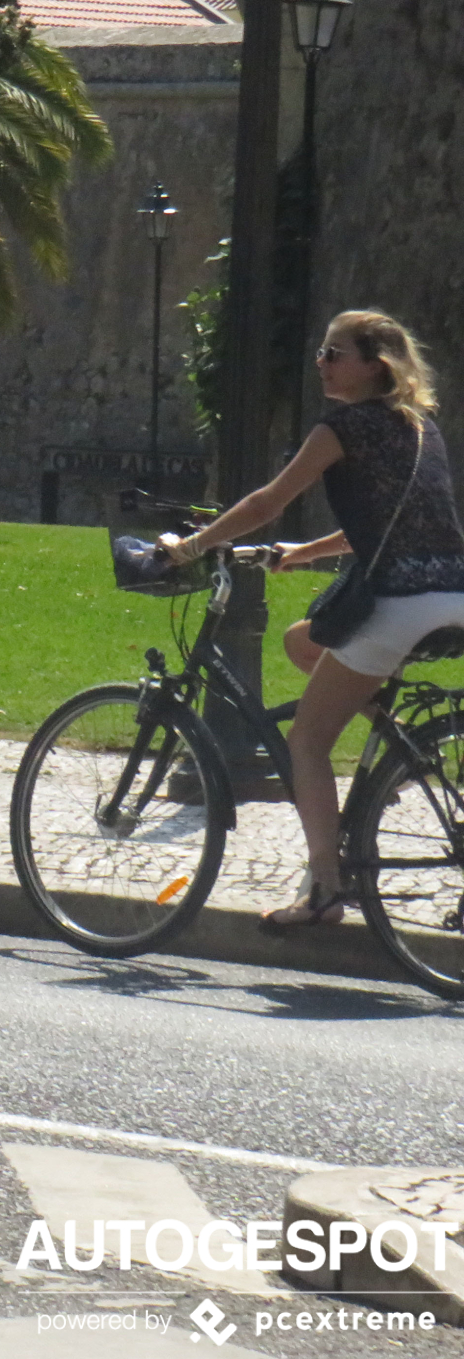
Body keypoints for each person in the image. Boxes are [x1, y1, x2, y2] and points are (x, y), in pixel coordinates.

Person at [157, 309, 464, 927]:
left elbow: (267, 501)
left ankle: (323, 890)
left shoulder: (340, 427)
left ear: (374, 364)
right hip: (452, 595)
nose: (321, 363)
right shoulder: (420, 427)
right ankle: (402, 754)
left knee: (307, 741)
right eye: (321, 352)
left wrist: (191, 547)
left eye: (335, 353)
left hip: (397, 606)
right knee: (304, 642)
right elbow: (391, 524)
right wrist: (305, 553)